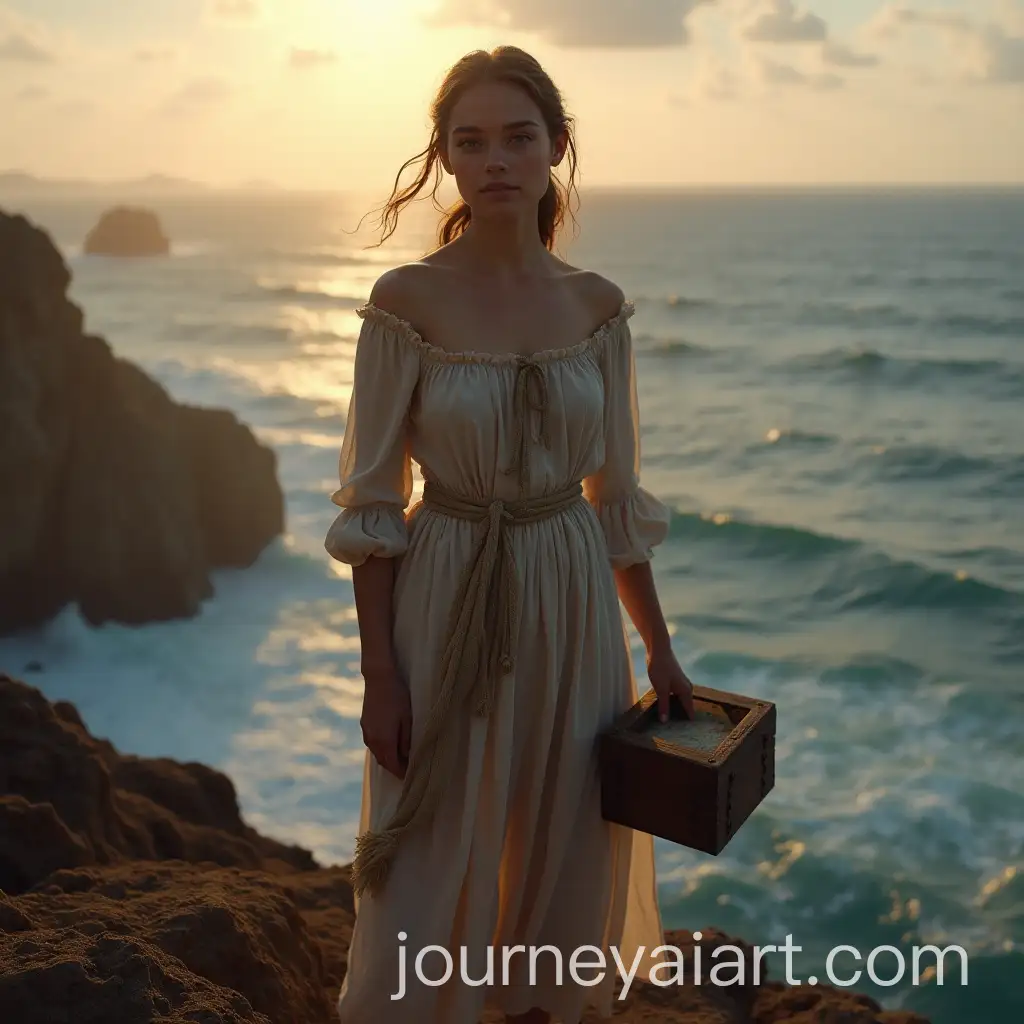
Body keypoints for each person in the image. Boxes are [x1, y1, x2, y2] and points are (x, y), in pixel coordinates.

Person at [325, 45, 696, 1024]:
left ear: (556, 148)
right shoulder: (404, 303)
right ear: (444, 158)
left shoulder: (597, 307)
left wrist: (658, 651)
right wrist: (379, 676)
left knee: (563, 838)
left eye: (517, 137)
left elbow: (615, 501)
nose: (495, 160)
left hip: (571, 599)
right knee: (430, 845)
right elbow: (370, 506)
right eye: (470, 140)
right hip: (442, 595)